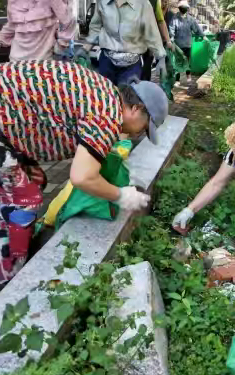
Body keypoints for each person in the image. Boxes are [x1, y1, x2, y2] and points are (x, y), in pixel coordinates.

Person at [0, 60, 169, 286]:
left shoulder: (105, 93)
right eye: (144, 127)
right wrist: (122, 195)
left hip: (8, 118)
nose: (139, 134)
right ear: (137, 109)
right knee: (24, 199)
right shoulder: (108, 115)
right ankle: (9, 277)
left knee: (35, 179)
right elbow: (82, 177)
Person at [78, 0, 166, 86]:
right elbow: (95, 28)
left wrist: (161, 58)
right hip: (107, 61)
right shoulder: (102, 2)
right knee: (106, 96)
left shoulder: (143, 4)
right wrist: (85, 49)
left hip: (131, 66)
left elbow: (151, 33)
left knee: (126, 97)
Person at [0, 0, 76, 61]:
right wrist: (2, 39)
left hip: (42, 60)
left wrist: (61, 43)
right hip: (15, 60)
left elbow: (69, 21)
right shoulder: (13, 2)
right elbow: (13, 25)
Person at [169, 0, 205, 83]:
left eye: (185, 8)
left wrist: (203, 36)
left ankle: (188, 76)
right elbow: (171, 30)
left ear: (187, 9)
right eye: (182, 7)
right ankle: (177, 79)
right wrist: (170, 41)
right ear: (179, 8)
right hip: (178, 45)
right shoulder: (175, 18)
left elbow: (197, 29)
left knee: (187, 61)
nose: (184, 9)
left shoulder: (191, 19)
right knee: (178, 62)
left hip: (187, 44)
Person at [141, 0, 174, 82]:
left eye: (166, 2)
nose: (165, 3)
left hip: (149, 43)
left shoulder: (155, 2)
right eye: (164, 1)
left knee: (146, 68)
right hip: (131, 44)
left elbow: (160, 21)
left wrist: (168, 41)